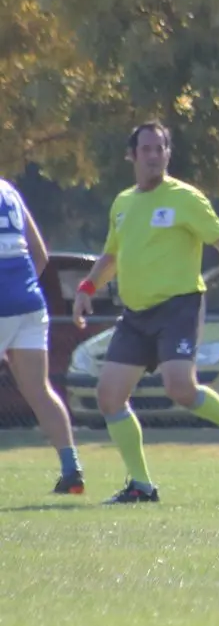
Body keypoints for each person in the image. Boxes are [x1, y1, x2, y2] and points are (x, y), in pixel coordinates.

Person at [73, 122, 219, 504]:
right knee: (109, 397)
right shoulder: (123, 204)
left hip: (178, 306)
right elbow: (112, 255)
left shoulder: (185, 198)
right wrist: (87, 288)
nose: (153, 155)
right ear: (132, 155)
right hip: (136, 315)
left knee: (179, 387)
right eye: (145, 149)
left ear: (167, 154)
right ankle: (142, 486)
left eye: (160, 148)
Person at [0, 178, 86, 494]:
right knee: (40, 390)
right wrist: (18, 287)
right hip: (30, 304)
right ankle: (71, 469)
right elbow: (40, 254)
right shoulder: (8, 191)